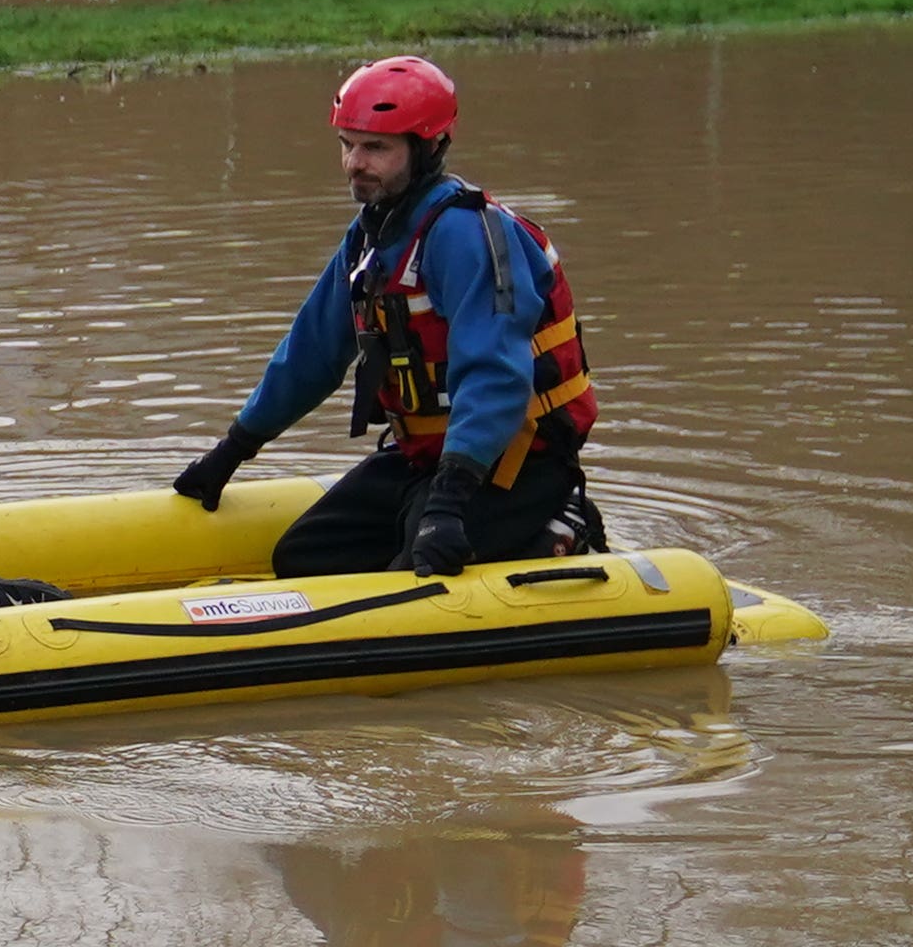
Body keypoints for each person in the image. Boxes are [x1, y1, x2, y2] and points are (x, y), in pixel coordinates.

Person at [168, 54, 602, 578]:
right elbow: (312, 351)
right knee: (303, 556)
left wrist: (448, 503)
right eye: (347, 145)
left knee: (415, 573)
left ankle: (561, 522)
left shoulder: (466, 237)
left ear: (428, 148)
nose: (355, 163)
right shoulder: (372, 237)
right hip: (425, 456)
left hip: (513, 463)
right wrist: (233, 449)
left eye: (376, 148)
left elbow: (494, 377)